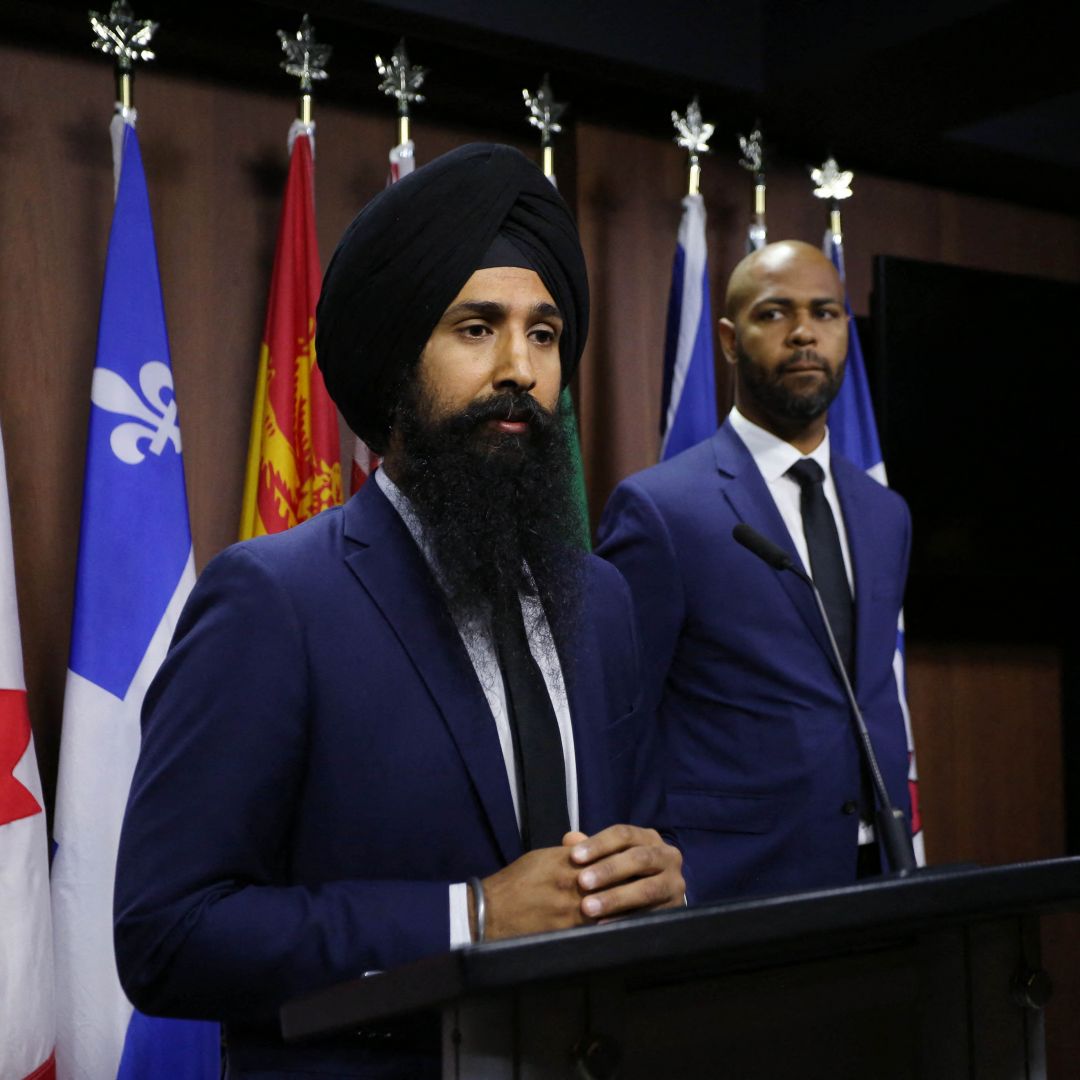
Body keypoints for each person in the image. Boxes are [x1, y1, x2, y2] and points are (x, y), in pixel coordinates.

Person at [113, 143, 683, 1079]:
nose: (519, 369)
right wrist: (470, 917)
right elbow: (168, 934)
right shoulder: (273, 600)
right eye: (475, 328)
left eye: (545, 334)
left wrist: (657, 877)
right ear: (394, 364)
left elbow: (635, 841)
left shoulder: (604, 599)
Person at [596, 240, 911, 902]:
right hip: (730, 889)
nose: (803, 332)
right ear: (730, 340)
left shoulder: (886, 514)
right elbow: (616, 717)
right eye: (775, 314)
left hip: (879, 872)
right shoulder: (661, 508)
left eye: (825, 313)